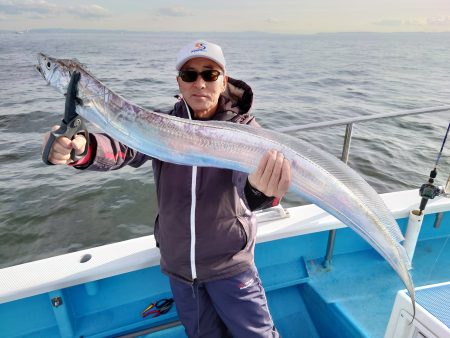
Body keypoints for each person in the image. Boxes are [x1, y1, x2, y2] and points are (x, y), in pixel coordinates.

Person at [42, 40, 291, 338]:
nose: (199, 83)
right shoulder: (158, 125)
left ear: (223, 81)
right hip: (180, 271)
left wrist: (262, 190)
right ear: (179, 83)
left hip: (231, 267)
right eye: (190, 75)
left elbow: (254, 189)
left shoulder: (246, 131)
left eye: (209, 74)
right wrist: (82, 149)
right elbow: (122, 147)